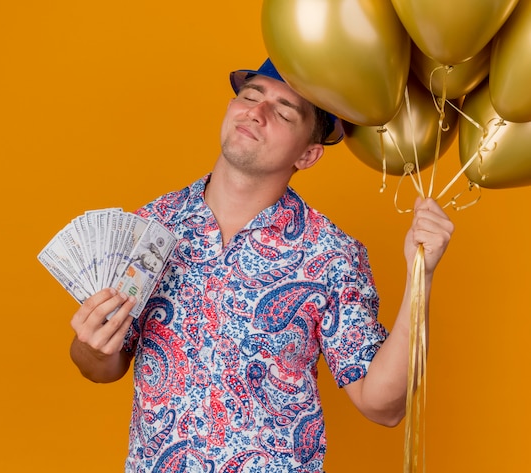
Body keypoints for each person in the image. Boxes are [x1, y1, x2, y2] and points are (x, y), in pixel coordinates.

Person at [69, 59, 454, 472]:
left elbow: (384, 406)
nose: (256, 111)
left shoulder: (332, 255)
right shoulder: (150, 226)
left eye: (284, 111)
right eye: (250, 96)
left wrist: (421, 275)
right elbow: (102, 367)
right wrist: (91, 346)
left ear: (308, 154)